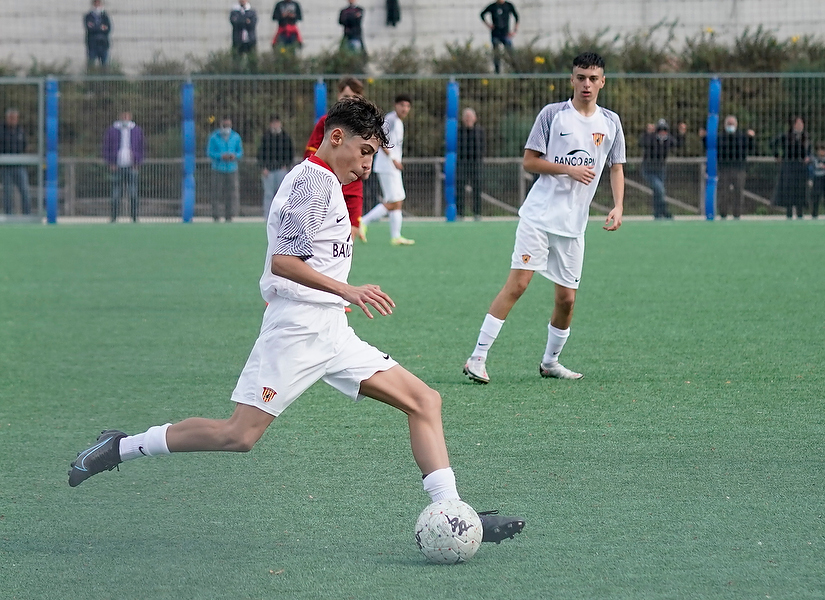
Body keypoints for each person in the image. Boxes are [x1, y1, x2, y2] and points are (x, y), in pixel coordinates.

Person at [67, 97, 525, 546]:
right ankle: (121, 447)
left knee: (424, 401)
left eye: (374, 156)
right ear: (337, 137)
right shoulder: (311, 182)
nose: (368, 166)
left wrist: (340, 297)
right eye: (365, 151)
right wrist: (348, 289)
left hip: (331, 330)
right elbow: (284, 261)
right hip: (297, 330)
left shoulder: (328, 184)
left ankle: (453, 512)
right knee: (238, 436)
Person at [463, 52, 625, 384]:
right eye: (581, 77)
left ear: (603, 81)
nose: (586, 84)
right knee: (518, 283)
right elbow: (530, 162)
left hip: (573, 226)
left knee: (566, 299)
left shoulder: (611, 122)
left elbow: (616, 167)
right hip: (538, 217)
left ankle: (550, 362)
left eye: (593, 78)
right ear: (572, 79)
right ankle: (477, 357)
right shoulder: (553, 115)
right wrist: (568, 168)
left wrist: (619, 205)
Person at [304, 77, 366, 241]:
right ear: (338, 96)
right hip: (327, 186)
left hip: (352, 188)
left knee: (349, 236)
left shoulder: (364, 125)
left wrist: (365, 165)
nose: (350, 101)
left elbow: (367, 153)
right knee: (322, 236)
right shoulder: (327, 122)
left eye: (354, 97)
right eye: (346, 97)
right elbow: (311, 154)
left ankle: (341, 265)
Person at [360, 94, 414, 246]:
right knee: (393, 201)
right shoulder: (390, 120)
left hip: (392, 167)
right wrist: (393, 160)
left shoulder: (398, 122)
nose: (405, 109)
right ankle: (363, 222)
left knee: (398, 201)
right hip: (387, 166)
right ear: (395, 105)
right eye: (402, 105)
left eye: (407, 106)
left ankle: (396, 236)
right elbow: (381, 140)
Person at [700, 115, 754, 219]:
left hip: (738, 168)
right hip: (724, 168)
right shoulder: (720, 137)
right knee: (723, 192)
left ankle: (737, 214)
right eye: (729, 124)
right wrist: (704, 138)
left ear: (736, 125)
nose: (731, 126)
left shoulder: (742, 136)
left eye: (732, 124)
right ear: (725, 125)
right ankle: (723, 213)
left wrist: (751, 138)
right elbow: (710, 147)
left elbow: (750, 148)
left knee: (738, 192)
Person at [638, 119, 686, 219]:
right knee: (660, 189)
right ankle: (664, 211)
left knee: (658, 192)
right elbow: (641, 143)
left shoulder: (668, 140)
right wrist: (647, 133)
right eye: (660, 130)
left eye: (665, 130)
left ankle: (657, 213)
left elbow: (678, 145)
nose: (663, 133)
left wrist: (681, 134)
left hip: (660, 169)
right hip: (648, 169)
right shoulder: (651, 138)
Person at [102, 111, 145, 222]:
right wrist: (110, 162)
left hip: (132, 166)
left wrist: (137, 162)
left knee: (133, 193)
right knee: (116, 194)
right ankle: (114, 217)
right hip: (117, 166)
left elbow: (142, 147)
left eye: (127, 116)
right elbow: (106, 147)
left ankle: (134, 217)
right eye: (124, 116)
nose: (125, 118)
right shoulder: (112, 130)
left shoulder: (136, 130)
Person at [770, 116, 810, 219]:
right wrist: (777, 156)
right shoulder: (786, 136)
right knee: (789, 191)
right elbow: (772, 144)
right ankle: (789, 214)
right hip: (789, 166)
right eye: (798, 123)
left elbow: (809, 151)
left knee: (800, 190)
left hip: (800, 167)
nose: (801, 126)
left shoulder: (805, 137)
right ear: (794, 125)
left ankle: (800, 214)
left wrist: (808, 157)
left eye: (802, 124)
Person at [257, 115, 295, 218]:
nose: (275, 125)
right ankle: (268, 217)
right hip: (268, 171)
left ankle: (282, 216)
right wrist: (263, 167)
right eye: (273, 123)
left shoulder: (285, 137)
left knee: (282, 195)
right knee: (268, 195)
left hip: (281, 170)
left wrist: (286, 166)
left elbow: (290, 153)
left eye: (277, 122)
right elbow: (260, 154)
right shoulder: (265, 137)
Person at [207, 118, 244, 222]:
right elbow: (210, 152)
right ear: (221, 124)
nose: (227, 127)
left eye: (228, 125)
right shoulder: (214, 137)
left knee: (231, 193)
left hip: (232, 168)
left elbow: (240, 151)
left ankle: (229, 215)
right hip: (218, 168)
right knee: (216, 192)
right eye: (225, 124)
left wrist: (235, 156)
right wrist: (220, 156)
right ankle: (216, 214)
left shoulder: (236, 137)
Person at [457, 108, 486, 219]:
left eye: (470, 117)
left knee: (477, 188)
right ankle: (460, 213)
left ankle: (477, 213)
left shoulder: (480, 131)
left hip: (476, 163)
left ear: (475, 118)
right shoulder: (459, 131)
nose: (468, 119)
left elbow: (483, 147)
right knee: (460, 187)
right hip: (462, 163)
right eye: (466, 117)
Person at [1, 108, 31, 215]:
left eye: (15, 118)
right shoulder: (1, 130)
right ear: (7, 118)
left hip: (19, 165)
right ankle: (8, 215)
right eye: (11, 118)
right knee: (8, 192)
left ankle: (27, 214)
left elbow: (25, 145)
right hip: (6, 166)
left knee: (25, 190)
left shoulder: (20, 130)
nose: (13, 120)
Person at [480, 0, 519, 74]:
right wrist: (488, 25)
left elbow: (516, 17)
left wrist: (514, 30)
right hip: (495, 34)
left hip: (505, 34)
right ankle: (497, 72)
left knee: (511, 53)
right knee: (496, 54)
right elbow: (482, 14)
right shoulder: (493, 6)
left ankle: (516, 71)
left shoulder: (508, 5)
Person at [808, 142, 825, 219]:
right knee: (816, 196)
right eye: (821, 150)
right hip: (817, 179)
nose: (822, 152)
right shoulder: (815, 160)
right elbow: (814, 168)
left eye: (824, 150)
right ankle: (814, 214)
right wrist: (811, 179)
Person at [230, 0, 258, 71]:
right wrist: (246, 21)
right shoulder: (234, 11)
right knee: (237, 62)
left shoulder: (252, 12)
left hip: (250, 40)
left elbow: (252, 24)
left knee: (252, 62)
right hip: (238, 40)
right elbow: (234, 23)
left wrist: (240, 20)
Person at [83, 0, 112, 69]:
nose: (97, 5)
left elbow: (108, 28)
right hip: (92, 44)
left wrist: (96, 26)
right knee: (91, 64)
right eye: (96, 3)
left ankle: (104, 79)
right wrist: (100, 27)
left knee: (104, 65)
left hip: (103, 44)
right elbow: (90, 28)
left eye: (99, 3)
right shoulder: (88, 16)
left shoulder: (105, 16)